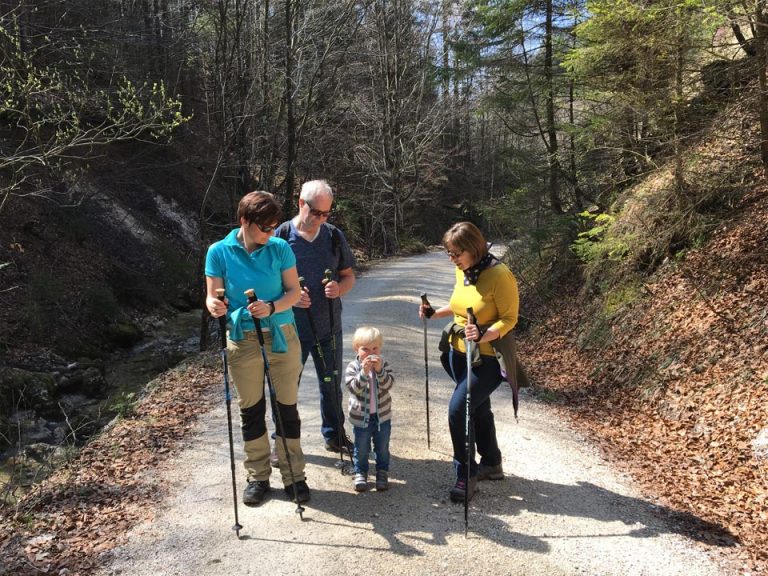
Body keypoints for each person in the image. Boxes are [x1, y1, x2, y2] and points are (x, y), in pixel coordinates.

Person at [205, 191, 310, 506]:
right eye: (264, 227)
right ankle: (258, 477)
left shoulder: (279, 249)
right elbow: (212, 297)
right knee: (251, 411)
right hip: (242, 338)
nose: (270, 233)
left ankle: (295, 476)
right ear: (244, 221)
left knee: (286, 409)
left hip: (281, 335)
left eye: (274, 226)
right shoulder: (219, 252)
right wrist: (215, 306)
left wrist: (273, 306)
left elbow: (294, 292)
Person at [418, 221, 519, 503]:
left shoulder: (500, 275)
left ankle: (466, 474)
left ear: (473, 248)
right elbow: (458, 305)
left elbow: (510, 319)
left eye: (455, 253)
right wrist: (433, 313)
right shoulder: (463, 270)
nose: (452, 259)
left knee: (458, 409)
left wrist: (485, 333)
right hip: (458, 353)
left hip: (488, 359)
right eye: (448, 253)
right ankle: (492, 463)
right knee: (477, 406)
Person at [275, 179, 357, 458]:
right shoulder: (280, 237)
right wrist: (291, 296)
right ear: (301, 204)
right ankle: (282, 442)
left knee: (331, 385)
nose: (321, 220)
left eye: (326, 214)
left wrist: (339, 288)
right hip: (289, 329)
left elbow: (348, 276)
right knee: (286, 388)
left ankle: (334, 436)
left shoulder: (334, 236)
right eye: (317, 213)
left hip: (328, 326)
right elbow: (267, 284)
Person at [344, 326, 395, 492]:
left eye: (375, 348)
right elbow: (353, 388)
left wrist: (379, 371)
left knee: (382, 447)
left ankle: (382, 471)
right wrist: (364, 373)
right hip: (361, 418)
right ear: (356, 349)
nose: (370, 353)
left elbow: (389, 385)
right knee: (362, 448)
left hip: (382, 417)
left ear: (380, 348)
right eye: (365, 349)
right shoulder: (353, 367)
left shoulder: (383, 364)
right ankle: (361, 472)